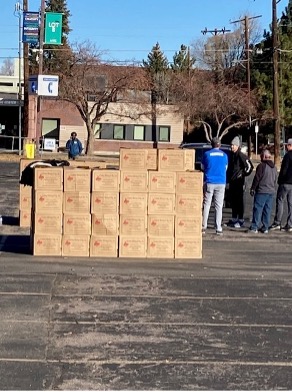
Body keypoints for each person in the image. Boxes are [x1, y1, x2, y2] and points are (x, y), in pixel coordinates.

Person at [201, 137, 228, 235]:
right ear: (219, 145)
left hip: (209, 181)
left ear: (211, 145)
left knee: (207, 204)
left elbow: (202, 167)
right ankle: (218, 227)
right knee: (219, 206)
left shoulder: (207, 154)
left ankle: (203, 226)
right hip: (221, 182)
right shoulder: (224, 155)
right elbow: (225, 168)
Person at [227, 136, 254, 228]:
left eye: (233, 145)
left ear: (237, 146)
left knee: (239, 201)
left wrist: (243, 174)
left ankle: (241, 219)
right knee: (233, 201)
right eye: (231, 145)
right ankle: (234, 218)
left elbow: (250, 166)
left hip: (239, 182)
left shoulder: (241, 155)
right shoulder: (232, 155)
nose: (231, 147)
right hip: (232, 181)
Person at [249, 150, 278, 233]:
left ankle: (254, 227)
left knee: (258, 209)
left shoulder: (261, 166)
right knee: (267, 210)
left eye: (261, 156)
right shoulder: (274, 167)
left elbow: (257, 178)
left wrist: (253, 188)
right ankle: (265, 227)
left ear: (264, 157)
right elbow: (275, 180)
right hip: (271, 191)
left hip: (262, 191)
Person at [270, 138, 292, 231]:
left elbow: (284, 169)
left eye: (288, 145)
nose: (286, 146)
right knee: (291, 203)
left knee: (280, 201)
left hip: (285, 182)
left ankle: (277, 222)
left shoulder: (288, 156)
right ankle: (290, 224)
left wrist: (280, 180)